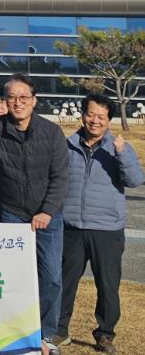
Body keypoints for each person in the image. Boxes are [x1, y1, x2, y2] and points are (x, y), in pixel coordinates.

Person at [0, 73, 69, 355]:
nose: (17, 102)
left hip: (47, 215)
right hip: (12, 212)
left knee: (50, 275)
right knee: (11, 276)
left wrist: (47, 211)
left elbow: (61, 177)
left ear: (34, 101)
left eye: (23, 97)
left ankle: (46, 334)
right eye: (11, 97)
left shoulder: (51, 132)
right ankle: (13, 330)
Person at [51, 93, 144, 354]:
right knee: (64, 282)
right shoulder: (67, 145)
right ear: (82, 115)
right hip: (72, 227)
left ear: (109, 120)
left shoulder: (119, 147)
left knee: (108, 286)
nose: (95, 120)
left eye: (101, 116)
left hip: (107, 229)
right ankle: (59, 330)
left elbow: (135, 180)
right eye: (90, 114)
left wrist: (121, 153)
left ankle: (105, 334)